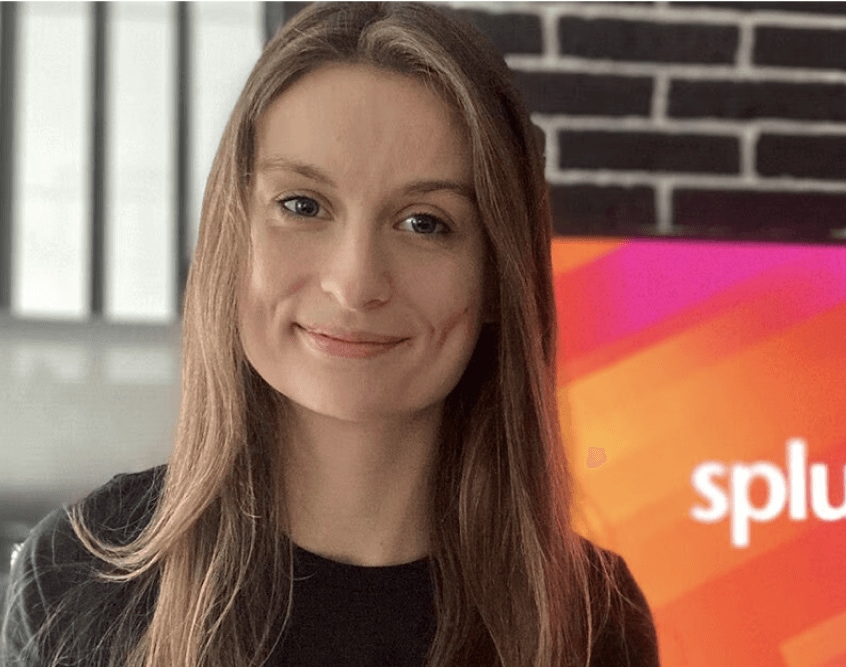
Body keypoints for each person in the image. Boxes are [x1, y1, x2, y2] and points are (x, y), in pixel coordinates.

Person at [1, 3, 660, 666]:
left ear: (495, 277)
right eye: (303, 205)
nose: (354, 282)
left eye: (425, 222)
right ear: (234, 236)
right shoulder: (76, 575)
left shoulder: (590, 619)